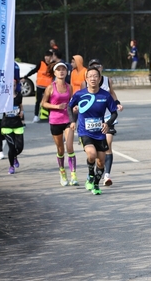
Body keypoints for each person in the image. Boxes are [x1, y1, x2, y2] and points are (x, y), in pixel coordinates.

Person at [68, 67, 118, 195]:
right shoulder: (80, 94)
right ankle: (90, 175)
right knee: (91, 154)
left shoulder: (105, 95)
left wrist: (107, 124)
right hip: (85, 131)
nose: (93, 79)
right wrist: (72, 121)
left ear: (100, 79)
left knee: (101, 162)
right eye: (90, 76)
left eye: (95, 76)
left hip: (100, 133)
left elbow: (114, 113)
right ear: (86, 79)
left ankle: (95, 184)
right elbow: (69, 107)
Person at [86, 58, 123, 186]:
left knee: (108, 144)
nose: (96, 68)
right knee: (94, 150)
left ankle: (107, 175)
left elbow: (112, 93)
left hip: (107, 117)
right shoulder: (86, 82)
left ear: (101, 68)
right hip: (93, 119)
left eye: (98, 66)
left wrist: (117, 103)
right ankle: (93, 171)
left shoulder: (107, 80)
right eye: (93, 66)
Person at [41, 62, 78, 187]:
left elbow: (72, 102)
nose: (61, 71)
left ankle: (73, 175)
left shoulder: (69, 87)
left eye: (63, 69)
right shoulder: (50, 87)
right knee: (60, 149)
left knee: (70, 147)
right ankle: (62, 172)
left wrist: (75, 109)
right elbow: (43, 103)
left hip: (68, 120)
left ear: (67, 72)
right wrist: (57, 107)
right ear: (55, 72)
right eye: (59, 70)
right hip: (55, 121)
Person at [1, 81, 25, 174]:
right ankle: (11, 166)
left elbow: (20, 106)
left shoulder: (19, 96)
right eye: (10, 85)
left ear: (16, 86)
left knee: (20, 147)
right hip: (6, 125)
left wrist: (22, 112)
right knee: (11, 147)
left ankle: (15, 156)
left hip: (17, 124)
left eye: (14, 85)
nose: (12, 87)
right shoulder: (4, 97)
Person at [25, 51, 53, 122]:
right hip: (40, 86)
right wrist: (26, 76)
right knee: (38, 101)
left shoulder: (52, 65)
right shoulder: (41, 63)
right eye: (46, 56)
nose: (46, 58)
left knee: (49, 101)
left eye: (48, 56)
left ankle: (51, 116)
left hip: (48, 87)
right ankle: (36, 115)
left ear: (51, 57)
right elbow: (34, 70)